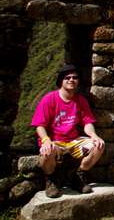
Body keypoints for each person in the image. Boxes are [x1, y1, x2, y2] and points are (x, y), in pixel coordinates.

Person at [30, 64, 105, 198]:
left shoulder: (80, 100)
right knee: (48, 152)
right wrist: (46, 140)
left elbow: (87, 122)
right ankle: (51, 180)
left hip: (73, 141)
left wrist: (94, 135)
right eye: (67, 78)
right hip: (55, 141)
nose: (71, 80)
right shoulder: (49, 99)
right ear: (61, 81)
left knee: (99, 145)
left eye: (74, 78)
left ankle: (79, 175)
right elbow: (39, 125)